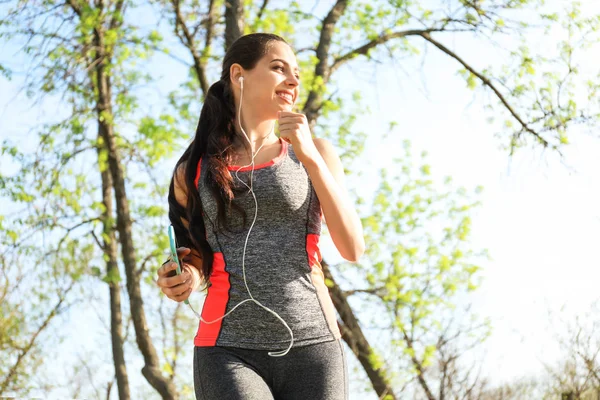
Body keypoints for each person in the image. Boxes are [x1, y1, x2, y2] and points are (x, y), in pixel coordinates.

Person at [156, 32, 365, 400]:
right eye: (278, 67)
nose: (293, 79)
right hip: (227, 349)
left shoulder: (316, 153)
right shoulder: (194, 169)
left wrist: (310, 157)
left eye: (296, 73)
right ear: (239, 74)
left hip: (314, 345)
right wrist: (184, 274)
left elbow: (352, 248)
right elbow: (194, 252)